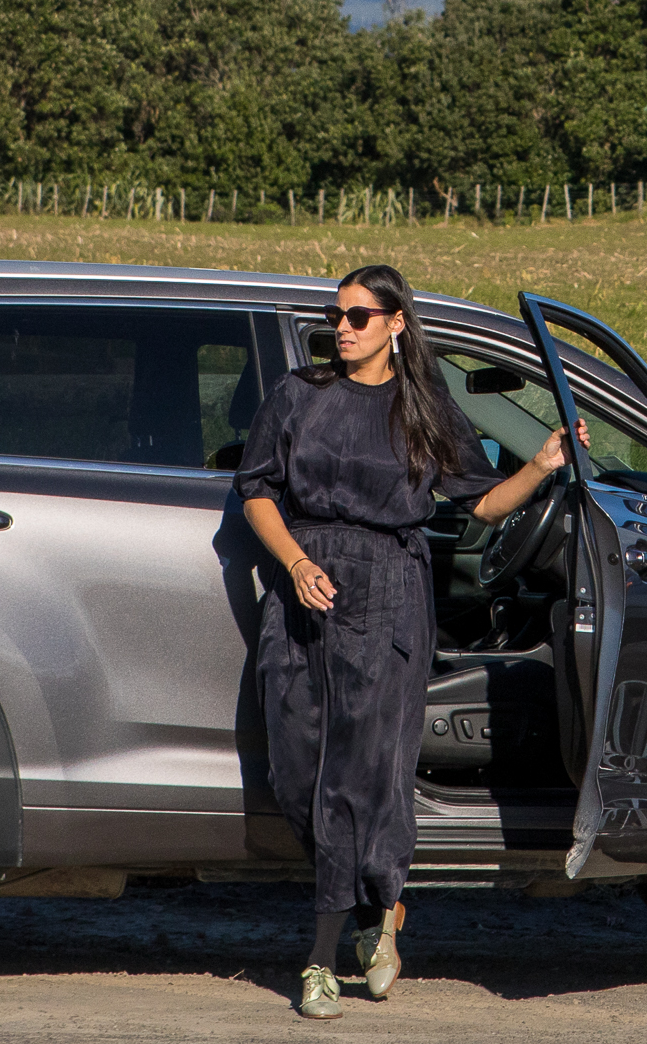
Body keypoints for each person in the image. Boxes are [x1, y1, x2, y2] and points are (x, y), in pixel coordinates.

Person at [235, 263, 585, 1020]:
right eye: (339, 316)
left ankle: (318, 964)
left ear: (397, 323)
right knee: (297, 774)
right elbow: (257, 489)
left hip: (389, 588)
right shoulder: (300, 394)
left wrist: (541, 464)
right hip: (303, 583)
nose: (343, 328)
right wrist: (294, 561)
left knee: (358, 774)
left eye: (359, 316)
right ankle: (377, 912)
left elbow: (483, 504)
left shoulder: (422, 405)